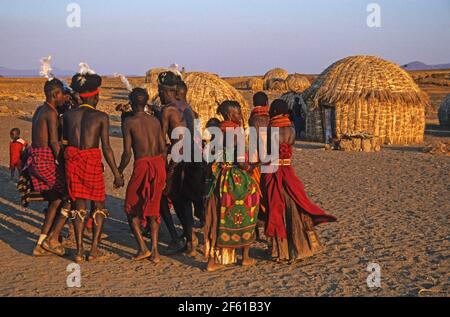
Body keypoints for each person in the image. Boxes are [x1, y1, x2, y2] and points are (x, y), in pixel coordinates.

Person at [261, 99, 336, 263]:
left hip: (274, 172)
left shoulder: (270, 129)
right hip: (288, 171)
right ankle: (301, 246)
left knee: (275, 207)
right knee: (295, 207)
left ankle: (281, 251)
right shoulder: (291, 128)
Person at [60, 69, 124, 262]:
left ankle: (79, 250)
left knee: (79, 204)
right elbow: (107, 148)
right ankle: (94, 248)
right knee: (98, 204)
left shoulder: (68, 116)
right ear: (95, 96)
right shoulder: (101, 117)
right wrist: (116, 173)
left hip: (72, 161)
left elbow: (64, 141)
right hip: (92, 161)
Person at [204, 101, 260, 272]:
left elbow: (211, 157)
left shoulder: (216, 131)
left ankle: (212, 260)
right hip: (235, 178)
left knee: (217, 218)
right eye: (237, 113)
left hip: (219, 178)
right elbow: (243, 163)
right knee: (249, 210)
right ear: (229, 115)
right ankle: (245, 257)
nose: (240, 116)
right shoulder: (237, 132)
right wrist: (254, 167)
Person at [118, 88, 167, 263]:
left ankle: (142, 248)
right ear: (146, 102)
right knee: (153, 208)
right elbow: (163, 147)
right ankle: (155, 252)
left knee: (131, 207)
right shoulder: (155, 121)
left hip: (142, 165)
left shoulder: (129, 123)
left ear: (130, 103)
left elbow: (127, 154)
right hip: (158, 164)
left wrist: (119, 172)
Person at [23, 78, 69, 256]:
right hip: (44, 160)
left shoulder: (39, 110)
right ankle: (53, 239)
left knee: (55, 200)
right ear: (55, 94)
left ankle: (40, 244)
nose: (63, 98)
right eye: (61, 95)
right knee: (69, 196)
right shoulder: (51, 114)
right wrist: (64, 164)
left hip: (36, 159)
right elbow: (53, 142)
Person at [158, 72, 195, 255]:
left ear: (165, 90)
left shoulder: (167, 110)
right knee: (187, 199)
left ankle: (182, 239)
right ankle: (190, 239)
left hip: (179, 158)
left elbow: (161, 138)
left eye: (160, 91)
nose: (159, 94)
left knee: (173, 197)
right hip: (195, 156)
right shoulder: (187, 107)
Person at [248, 92, 270, 241]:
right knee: (268, 194)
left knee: (255, 193)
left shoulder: (253, 118)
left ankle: (255, 228)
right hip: (269, 160)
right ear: (267, 102)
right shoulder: (270, 117)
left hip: (255, 160)